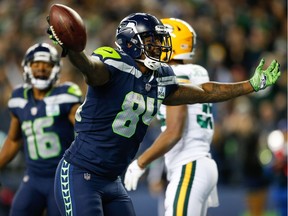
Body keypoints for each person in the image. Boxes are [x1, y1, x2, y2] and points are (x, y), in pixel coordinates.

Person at [47, 9, 280, 216]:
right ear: (130, 42)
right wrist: (72, 49)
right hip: (81, 173)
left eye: (159, 40)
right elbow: (89, 67)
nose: (158, 46)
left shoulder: (160, 77)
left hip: (111, 179)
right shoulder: (113, 65)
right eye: (150, 40)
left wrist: (250, 85)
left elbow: (204, 91)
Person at [124, 18, 219, 216]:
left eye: (158, 40)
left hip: (190, 165)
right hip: (197, 162)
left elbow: (175, 131)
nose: (155, 45)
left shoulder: (176, 74)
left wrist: (140, 163)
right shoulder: (197, 71)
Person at [0, 43, 82, 216]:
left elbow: (85, 131)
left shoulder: (66, 94)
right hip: (33, 177)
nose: (41, 69)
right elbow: (14, 139)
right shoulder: (18, 98)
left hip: (61, 178)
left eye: (47, 64)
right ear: (27, 67)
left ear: (56, 68)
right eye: (36, 64)